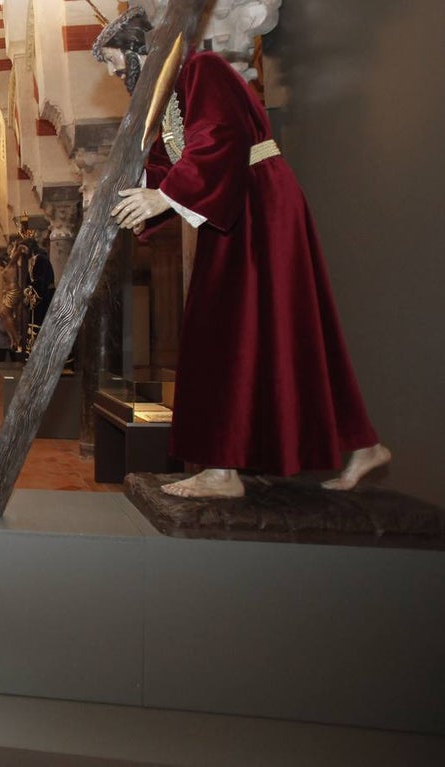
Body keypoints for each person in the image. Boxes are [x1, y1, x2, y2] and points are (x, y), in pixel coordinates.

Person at [95, 7, 390, 499]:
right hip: (235, 211)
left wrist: (164, 198)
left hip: (260, 205)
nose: (112, 72)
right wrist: (147, 207)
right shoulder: (170, 97)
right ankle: (359, 444)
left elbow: (220, 139)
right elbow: (173, 163)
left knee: (226, 335)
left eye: (112, 59)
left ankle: (222, 470)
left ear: (139, 49)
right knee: (275, 335)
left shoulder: (202, 70)